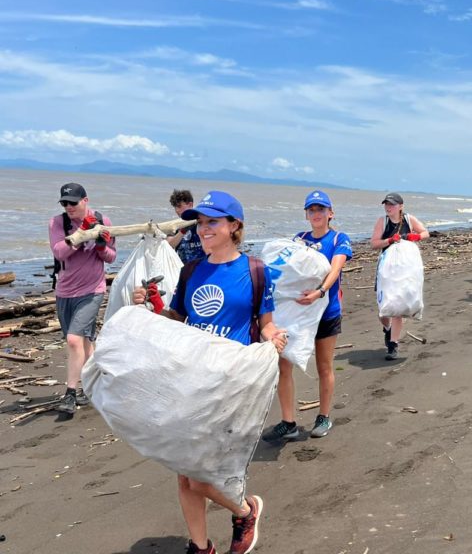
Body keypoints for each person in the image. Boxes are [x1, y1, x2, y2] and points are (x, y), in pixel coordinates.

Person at [132, 191, 287, 554]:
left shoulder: (255, 271)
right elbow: (178, 321)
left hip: (231, 383)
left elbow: (265, 324)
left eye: (213, 222)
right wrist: (152, 307)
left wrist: (274, 337)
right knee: (184, 473)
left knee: (202, 477)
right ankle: (201, 547)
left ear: (234, 226)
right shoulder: (191, 270)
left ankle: (245, 510)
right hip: (190, 379)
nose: (204, 230)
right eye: (201, 223)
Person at [263, 190, 352, 442]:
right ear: (306, 214)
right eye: (311, 210)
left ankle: (323, 416)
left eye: (320, 209)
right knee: (284, 365)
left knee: (324, 365)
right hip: (297, 315)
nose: (316, 214)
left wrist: (320, 292)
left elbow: (336, 267)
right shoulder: (298, 238)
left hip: (326, 311)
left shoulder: (338, 239)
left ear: (330, 213)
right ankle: (288, 422)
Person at [49, 183, 116, 415]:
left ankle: (70, 393)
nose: (69, 207)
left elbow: (110, 257)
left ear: (85, 200)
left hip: (92, 290)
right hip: (65, 291)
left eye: (73, 203)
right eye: (64, 203)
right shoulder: (58, 223)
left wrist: (100, 246)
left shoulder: (102, 220)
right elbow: (58, 251)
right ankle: (96, 382)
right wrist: (80, 235)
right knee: (85, 342)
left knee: (74, 340)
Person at [370, 192, 429, 359]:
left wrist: (415, 236)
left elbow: (425, 232)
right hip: (387, 270)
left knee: (398, 305)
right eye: (386, 205)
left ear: (400, 206)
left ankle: (393, 344)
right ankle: (387, 329)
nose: (388, 207)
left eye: (392, 205)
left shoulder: (409, 219)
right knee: (384, 309)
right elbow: (374, 243)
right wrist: (389, 240)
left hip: (405, 269)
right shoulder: (383, 222)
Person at [168, 189, 206, 264]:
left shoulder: (202, 221)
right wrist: (182, 231)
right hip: (183, 269)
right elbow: (169, 245)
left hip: (203, 267)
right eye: (175, 207)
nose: (177, 210)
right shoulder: (175, 226)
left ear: (190, 205)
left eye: (179, 206)